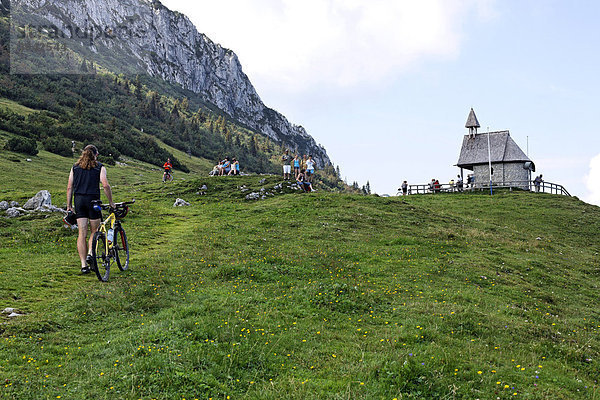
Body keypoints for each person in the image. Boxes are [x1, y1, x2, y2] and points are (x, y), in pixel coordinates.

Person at [66, 145, 115, 274]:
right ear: (96, 155)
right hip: (93, 201)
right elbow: (105, 185)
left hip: (79, 201)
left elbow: (69, 187)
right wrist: (111, 202)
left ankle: (83, 265)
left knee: (82, 233)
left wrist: (69, 205)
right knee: (95, 230)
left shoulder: (75, 167)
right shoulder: (100, 167)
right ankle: (90, 253)